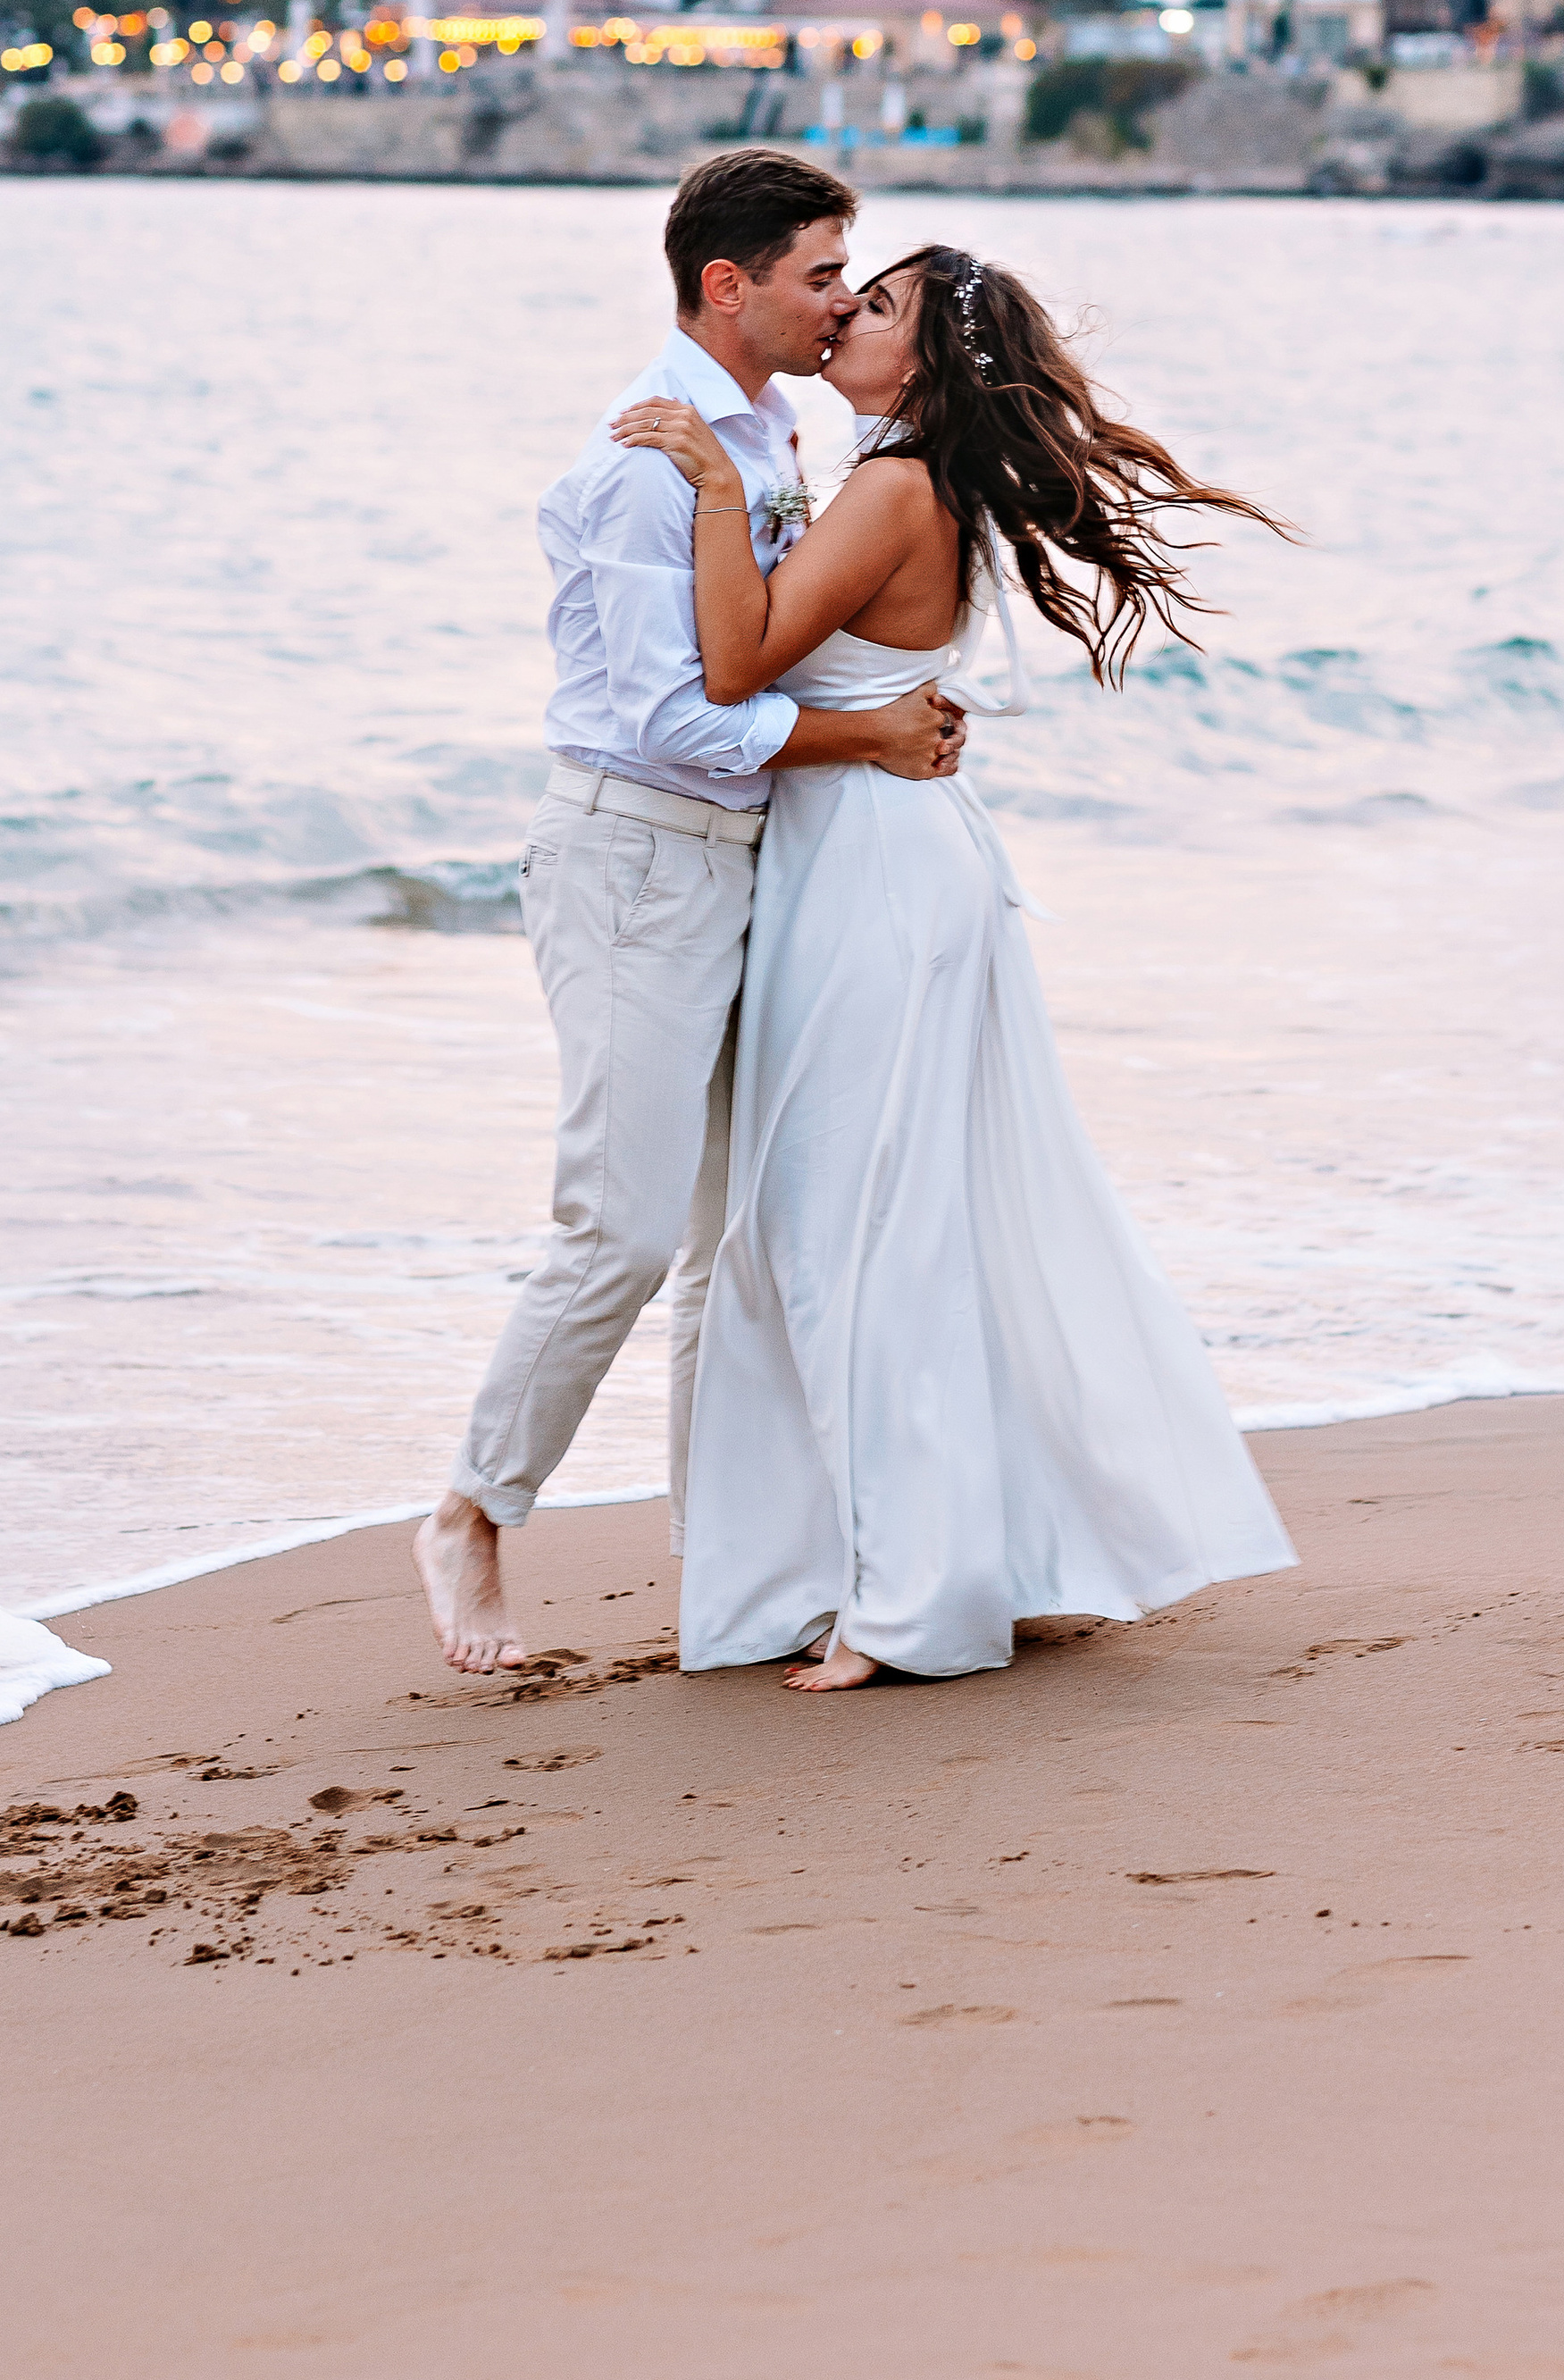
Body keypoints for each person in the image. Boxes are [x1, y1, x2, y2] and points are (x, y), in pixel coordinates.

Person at [611, 243, 1297, 1689]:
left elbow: (732, 671)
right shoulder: (905, 478)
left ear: (916, 362)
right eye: (845, 294)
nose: (845, 318)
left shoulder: (894, 485)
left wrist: (723, 493)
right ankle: (907, 1562)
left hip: (871, 871)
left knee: (849, 1235)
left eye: (874, 308)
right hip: (874, 856)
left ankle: (901, 1600)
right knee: (870, 1225)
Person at [414, 154, 968, 1675]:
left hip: (753, 861)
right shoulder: (644, 462)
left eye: (853, 278)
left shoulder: (772, 433)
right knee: (624, 1226)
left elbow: (777, 648)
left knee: (732, 1237)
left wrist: (886, 704)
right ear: (727, 286)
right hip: (634, 859)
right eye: (817, 276)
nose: (843, 301)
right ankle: (474, 1510)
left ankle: (722, 1570)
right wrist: (864, 733)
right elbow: (668, 713)